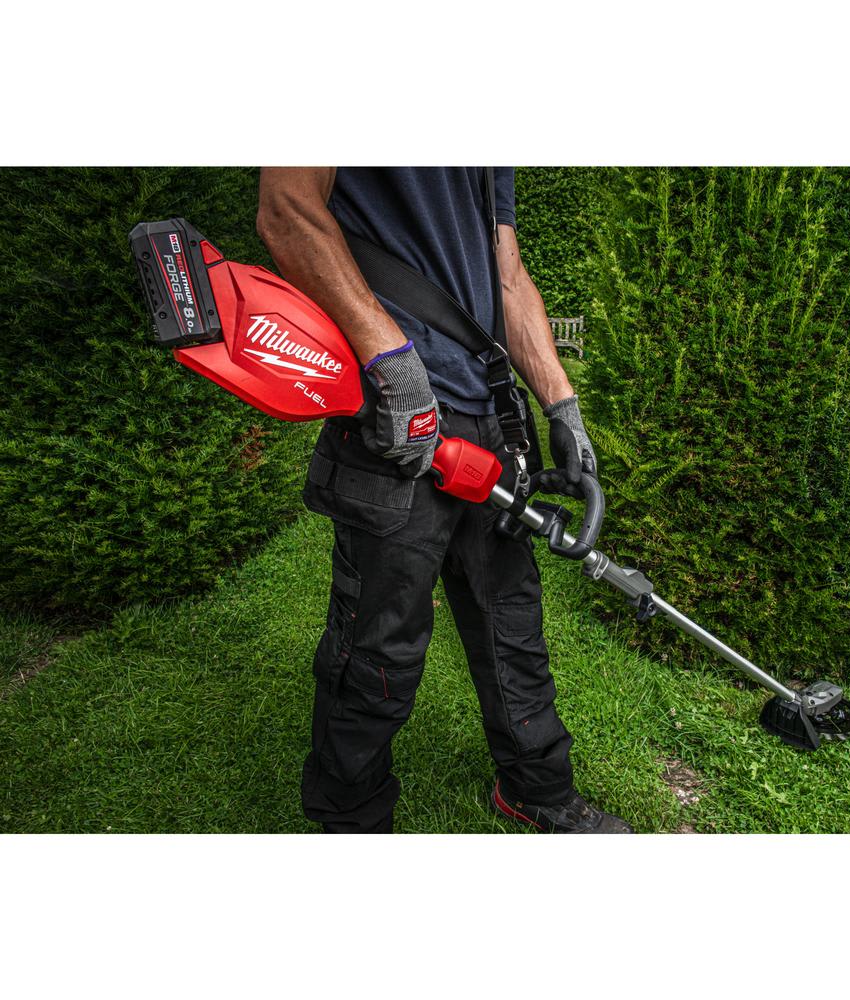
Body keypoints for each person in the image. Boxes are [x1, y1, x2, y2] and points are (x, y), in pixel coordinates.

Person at [256, 168, 632, 834]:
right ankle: (351, 821)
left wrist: (560, 403)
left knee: (511, 624)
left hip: (491, 419)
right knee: (378, 647)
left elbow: (507, 276)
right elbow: (287, 210)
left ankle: (538, 789)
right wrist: (391, 362)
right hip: (398, 418)